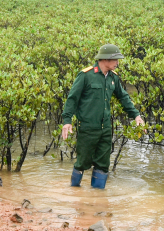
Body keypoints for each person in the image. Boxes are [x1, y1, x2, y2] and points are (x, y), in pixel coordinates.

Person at [61, 44, 145, 189]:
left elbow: (123, 97)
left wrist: (136, 115)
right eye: (115, 59)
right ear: (105, 59)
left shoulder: (113, 78)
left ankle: (98, 200)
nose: (117, 63)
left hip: (105, 129)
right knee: (82, 162)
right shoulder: (86, 75)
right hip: (87, 128)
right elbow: (72, 99)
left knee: (103, 164)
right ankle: (74, 193)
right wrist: (67, 121)